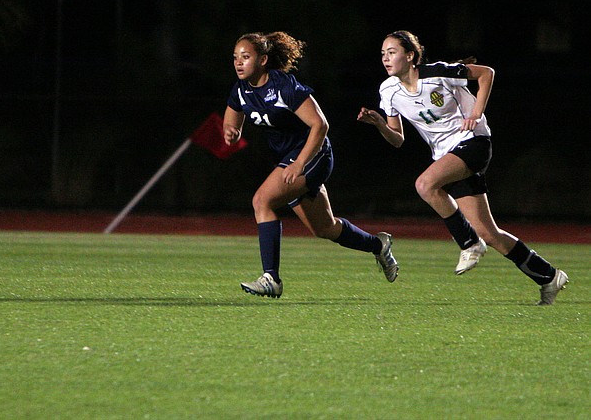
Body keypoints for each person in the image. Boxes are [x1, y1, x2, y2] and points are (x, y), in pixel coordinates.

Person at [357, 30, 568, 305]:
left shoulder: (438, 73)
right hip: (448, 156)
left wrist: (476, 113)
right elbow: (397, 140)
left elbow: (486, 73)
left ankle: (468, 243)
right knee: (490, 233)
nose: (386, 58)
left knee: (425, 184)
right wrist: (379, 124)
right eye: (383, 53)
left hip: (474, 142)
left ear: (410, 56)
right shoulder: (388, 91)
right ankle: (548, 276)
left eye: (392, 52)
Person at [223, 31, 398, 298]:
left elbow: (321, 125)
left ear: (263, 60)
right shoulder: (241, 90)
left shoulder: (284, 87)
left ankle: (271, 277)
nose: (238, 62)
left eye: (246, 57)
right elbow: (232, 120)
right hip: (289, 160)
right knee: (325, 228)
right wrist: (231, 132)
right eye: (236, 57)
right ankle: (378, 246)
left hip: (313, 155)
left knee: (262, 201)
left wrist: (299, 163)